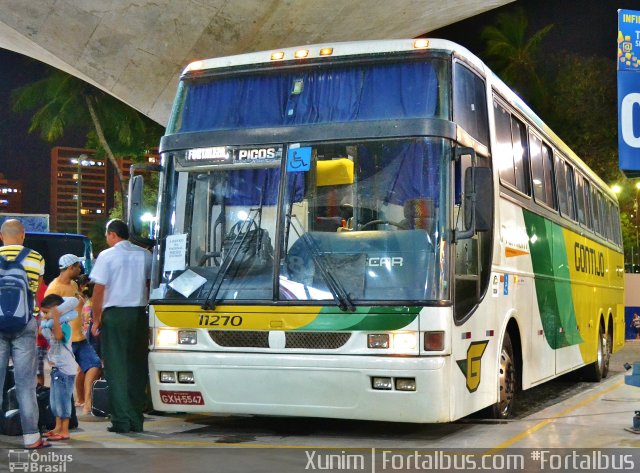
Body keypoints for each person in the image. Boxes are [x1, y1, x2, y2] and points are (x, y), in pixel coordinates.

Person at [90, 219, 151, 433]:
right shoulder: (145, 255)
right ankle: (136, 419)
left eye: (107, 235)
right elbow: (150, 284)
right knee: (137, 368)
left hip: (115, 315)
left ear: (112, 235)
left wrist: (96, 319)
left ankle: (121, 421)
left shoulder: (107, 256)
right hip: (139, 315)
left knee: (116, 368)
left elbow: (98, 291)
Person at [0, 219, 48, 449]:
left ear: (1, 236)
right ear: (23, 235)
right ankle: (31, 437)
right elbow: (37, 290)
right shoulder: (35, 258)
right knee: (25, 383)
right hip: (25, 324)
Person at [45, 254, 101, 416]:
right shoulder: (54, 288)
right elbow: (47, 314)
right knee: (64, 379)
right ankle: (62, 416)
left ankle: (87, 402)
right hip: (65, 341)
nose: (80, 270)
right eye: (78, 266)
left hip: (80, 338)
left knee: (94, 365)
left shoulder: (73, 285)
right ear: (71, 268)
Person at [39, 294, 79, 441]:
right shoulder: (51, 324)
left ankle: (64, 430)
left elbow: (58, 336)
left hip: (66, 370)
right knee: (54, 401)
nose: (43, 316)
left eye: (45, 312)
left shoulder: (64, 325)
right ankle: (57, 427)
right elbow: (44, 334)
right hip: (57, 369)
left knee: (63, 400)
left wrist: (55, 318)